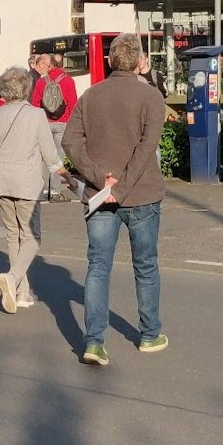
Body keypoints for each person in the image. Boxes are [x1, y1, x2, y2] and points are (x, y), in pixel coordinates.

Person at [62, 36, 169, 366]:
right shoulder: (151, 97)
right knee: (146, 266)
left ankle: (94, 342)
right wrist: (121, 187)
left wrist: (99, 178)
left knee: (98, 268)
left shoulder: (90, 96)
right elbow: (146, 149)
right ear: (139, 62)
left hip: (100, 197)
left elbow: (70, 142)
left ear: (109, 61)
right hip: (142, 195)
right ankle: (149, 335)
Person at [0, 66, 64, 313]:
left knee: (12, 234)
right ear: (27, 88)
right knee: (32, 236)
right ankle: (13, 277)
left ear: (4, 90)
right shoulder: (37, 115)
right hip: (27, 181)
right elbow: (50, 155)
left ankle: (21, 293)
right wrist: (65, 175)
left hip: (1, 179)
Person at [31, 54, 79, 195]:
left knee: (45, 157)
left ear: (50, 65)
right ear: (62, 65)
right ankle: (55, 191)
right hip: (62, 123)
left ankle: (44, 189)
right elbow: (73, 104)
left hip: (45, 123)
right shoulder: (69, 81)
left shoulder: (41, 82)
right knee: (57, 158)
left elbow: (35, 104)